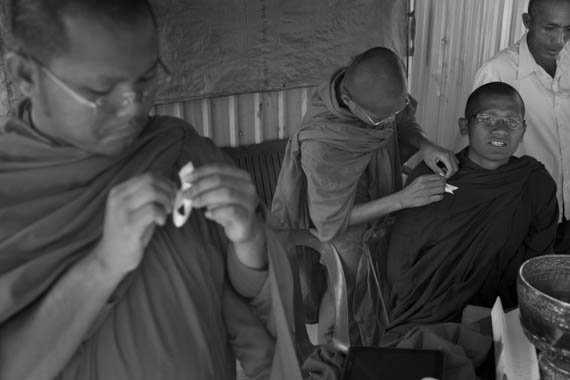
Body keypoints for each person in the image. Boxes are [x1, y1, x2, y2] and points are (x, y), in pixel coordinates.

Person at [0, 1, 301, 379]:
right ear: (25, 74)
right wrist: (103, 265)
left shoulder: (177, 151)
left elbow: (252, 312)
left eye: (145, 80)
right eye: (101, 90)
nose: (132, 110)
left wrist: (250, 241)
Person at [271, 46, 459, 345]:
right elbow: (330, 221)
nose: (387, 125)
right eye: (378, 121)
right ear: (348, 101)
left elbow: (401, 122)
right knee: (345, 294)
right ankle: (329, 359)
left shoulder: (381, 101)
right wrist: (402, 199)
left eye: (393, 113)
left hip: (381, 202)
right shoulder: (323, 143)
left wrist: (425, 145)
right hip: (345, 227)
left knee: (377, 298)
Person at [379, 82, 559, 379]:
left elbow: (537, 262)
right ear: (465, 126)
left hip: (499, 310)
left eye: (511, 121)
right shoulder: (434, 175)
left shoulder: (534, 182)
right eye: (487, 119)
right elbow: (403, 258)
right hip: (427, 310)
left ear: (523, 130)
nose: (500, 129)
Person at [473, 0, 570, 254]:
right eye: (550, 28)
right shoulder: (499, 72)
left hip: (568, 213)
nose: (559, 41)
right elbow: (480, 151)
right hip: (526, 214)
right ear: (527, 22)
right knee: (523, 287)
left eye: (568, 30)